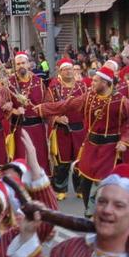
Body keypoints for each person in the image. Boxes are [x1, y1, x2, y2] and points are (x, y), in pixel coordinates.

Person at [32, 66, 129, 212]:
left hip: (110, 148)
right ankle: (90, 211)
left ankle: (98, 214)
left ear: (106, 83)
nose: (91, 83)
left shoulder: (121, 102)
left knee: (103, 183)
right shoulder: (88, 97)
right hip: (90, 146)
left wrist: (125, 141)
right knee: (86, 180)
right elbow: (66, 105)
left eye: (95, 81)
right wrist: (43, 108)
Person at [8, 52, 53, 176]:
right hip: (20, 128)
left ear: (28, 64)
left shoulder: (39, 82)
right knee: (22, 159)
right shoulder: (9, 83)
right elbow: (4, 107)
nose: (21, 66)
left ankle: (41, 185)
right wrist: (15, 111)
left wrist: (43, 110)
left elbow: (47, 103)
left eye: (23, 63)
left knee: (40, 158)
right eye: (18, 64)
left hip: (37, 128)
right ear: (15, 66)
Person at [49, 58, 87, 200]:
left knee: (80, 160)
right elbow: (48, 107)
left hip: (79, 128)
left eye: (71, 69)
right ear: (60, 71)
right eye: (65, 69)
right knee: (62, 162)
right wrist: (57, 118)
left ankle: (80, 188)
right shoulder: (54, 88)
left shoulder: (82, 86)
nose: (69, 71)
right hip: (61, 129)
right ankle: (60, 189)